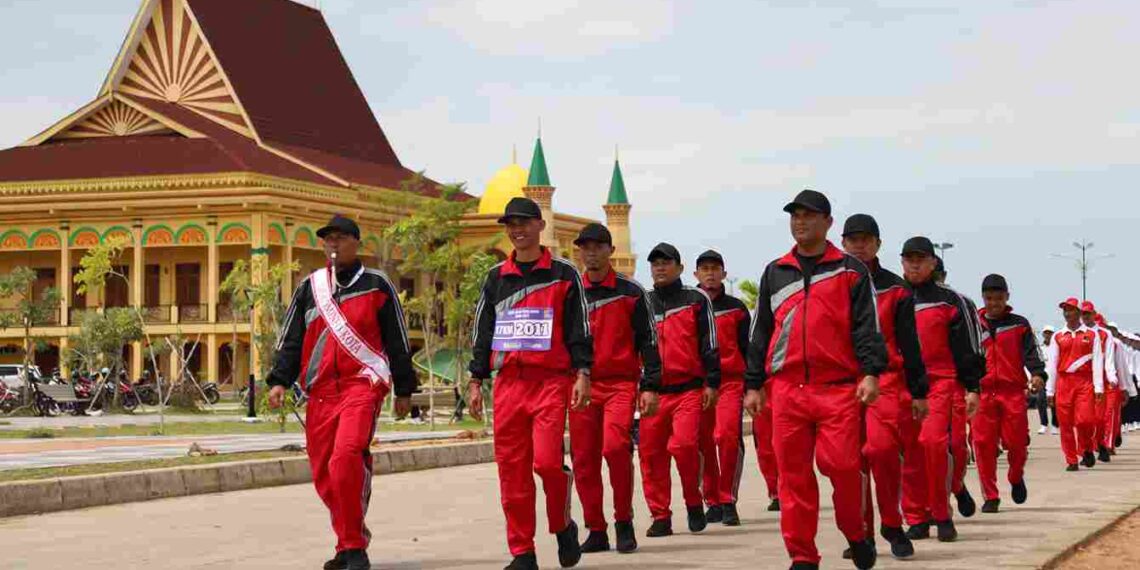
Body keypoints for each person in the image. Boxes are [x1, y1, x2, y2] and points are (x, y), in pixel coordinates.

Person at [744, 189, 888, 570]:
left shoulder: (850, 271)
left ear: (828, 222)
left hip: (837, 389)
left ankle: (855, 532)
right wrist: (753, 384)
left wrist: (871, 373)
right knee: (793, 478)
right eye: (795, 216)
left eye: (809, 215)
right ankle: (803, 556)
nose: (800, 222)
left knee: (842, 466)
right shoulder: (775, 272)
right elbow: (761, 331)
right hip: (786, 390)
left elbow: (867, 328)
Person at [267, 214, 417, 570]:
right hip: (320, 391)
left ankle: (354, 549)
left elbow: (397, 339)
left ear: (355, 242)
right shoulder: (310, 287)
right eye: (327, 239)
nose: (332, 244)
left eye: (339, 237)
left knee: (345, 459)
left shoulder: (377, 284)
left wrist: (405, 388)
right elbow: (291, 339)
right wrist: (279, 380)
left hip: (361, 385)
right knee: (324, 474)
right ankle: (348, 541)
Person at [466, 197, 593, 570]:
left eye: (524, 222)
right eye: (511, 224)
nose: (517, 230)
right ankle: (523, 552)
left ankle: (563, 525)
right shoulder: (496, 278)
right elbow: (483, 331)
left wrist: (583, 373)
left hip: (550, 382)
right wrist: (475, 379)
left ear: (540, 225)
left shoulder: (564, 274)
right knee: (512, 470)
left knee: (548, 464)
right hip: (508, 385)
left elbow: (579, 329)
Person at [840, 214, 929, 561]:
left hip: (886, 380)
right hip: (842, 382)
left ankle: (891, 522)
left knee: (881, 450)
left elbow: (910, 342)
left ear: (878, 244)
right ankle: (860, 534)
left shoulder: (896, 289)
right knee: (850, 462)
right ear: (843, 243)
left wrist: (919, 391)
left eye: (866, 239)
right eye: (853, 239)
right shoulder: (832, 283)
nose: (859, 245)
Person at [569, 223, 661, 555]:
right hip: (580, 386)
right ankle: (596, 529)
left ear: (611, 250)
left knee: (615, 448)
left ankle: (624, 521)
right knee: (583, 459)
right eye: (585, 247)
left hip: (620, 384)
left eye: (598, 246)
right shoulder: (571, 291)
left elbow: (649, 340)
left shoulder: (631, 291)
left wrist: (650, 385)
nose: (591, 253)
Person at [898, 236, 984, 544]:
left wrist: (972, 385)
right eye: (909, 259)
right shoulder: (894, 296)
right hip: (903, 384)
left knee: (937, 445)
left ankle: (943, 507)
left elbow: (969, 346)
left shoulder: (952, 301)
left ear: (933, 263)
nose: (915, 265)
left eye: (921, 259)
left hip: (942, 382)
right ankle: (917, 518)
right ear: (902, 262)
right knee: (909, 451)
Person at [641, 242, 721, 537]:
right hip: (653, 393)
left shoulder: (696, 299)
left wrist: (712, 381)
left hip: (689, 390)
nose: (660, 268)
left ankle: (693, 500)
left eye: (666, 262)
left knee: (684, 446)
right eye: (655, 263)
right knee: (651, 456)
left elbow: (709, 343)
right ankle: (660, 515)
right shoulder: (643, 303)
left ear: (680, 268)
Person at [972, 274, 1046, 514]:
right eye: (989, 298)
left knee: (1017, 443)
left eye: (999, 298)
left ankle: (1015, 476)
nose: (994, 303)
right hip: (982, 394)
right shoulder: (973, 324)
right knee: (983, 445)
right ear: (983, 298)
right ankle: (991, 496)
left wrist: (1038, 374)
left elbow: (1032, 353)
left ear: (1007, 297)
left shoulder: (1019, 325)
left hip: (1012, 392)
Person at [693, 249, 751, 527]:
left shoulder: (737, 308)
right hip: (699, 384)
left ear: (724, 274)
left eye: (715, 269)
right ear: (696, 274)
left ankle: (728, 499)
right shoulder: (689, 305)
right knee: (702, 442)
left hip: (730, 382)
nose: (710, 273)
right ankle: (712, 500)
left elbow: (746, 347)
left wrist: (753, 384)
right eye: (704, 269)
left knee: (727, 436)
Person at [1045, 298, 1104, 471]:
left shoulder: (1091, 335)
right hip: (1064, 382)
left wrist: (1099, 386)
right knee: (1065, 424)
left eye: (1070, 310)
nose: (1067, 313)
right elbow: (1052, 365)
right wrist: (1050, 390)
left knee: (1085, 420)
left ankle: (1086, 447)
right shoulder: (1058, 336)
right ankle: (1071, 459)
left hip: (1085, 381)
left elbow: (1098, 361)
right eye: (1065, 310)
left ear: (1079, 313)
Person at [1080, 304, 1118, 463]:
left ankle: (1101, 444)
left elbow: (1109, 358)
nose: (1086, 316)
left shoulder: (1105, 334)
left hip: (1101, 379)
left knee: (1099, 418)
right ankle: (1085, 451)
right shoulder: (1078, 333)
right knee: (1082, 419)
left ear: (1094, 314)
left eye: (1088, 313)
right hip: (1083, 380)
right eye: (1083, 313)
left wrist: (1111, 376)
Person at [1037, 326, 1060, 435]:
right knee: (1040, 401)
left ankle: (1055, 425)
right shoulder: (1040, 348)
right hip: (1043, 379)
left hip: (1055, 378)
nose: (1047, 335)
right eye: (1046, 333)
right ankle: (1044, 424)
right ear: (1043, 334)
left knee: (1054, 403)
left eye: (1050, 333)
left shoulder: (1057, 348)